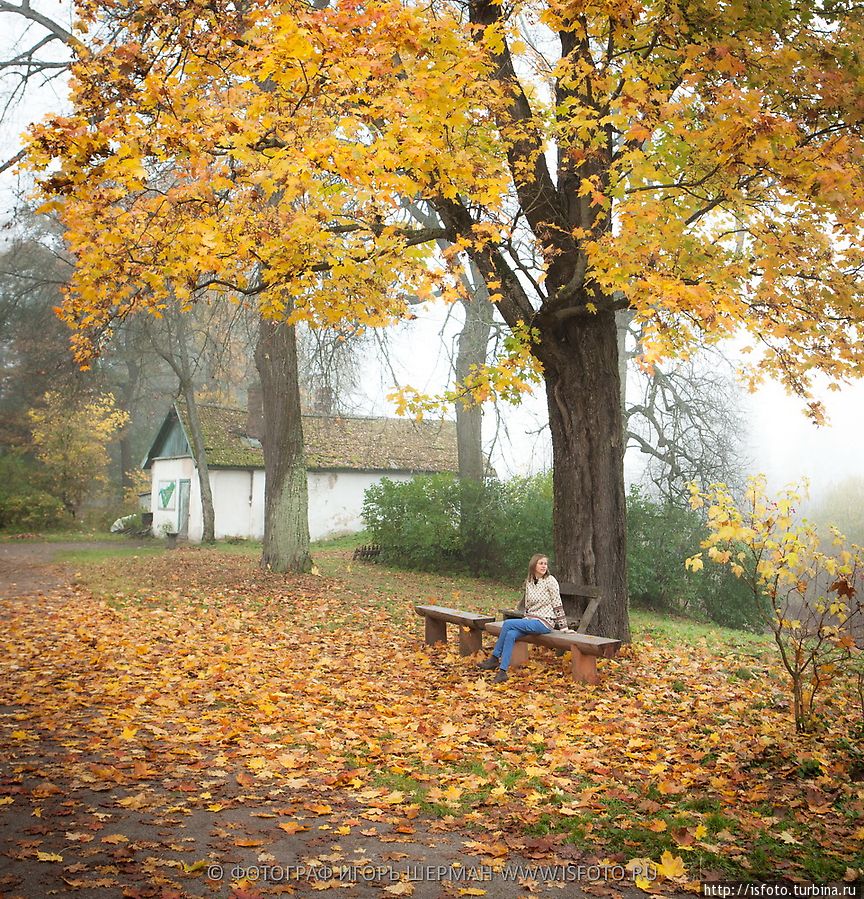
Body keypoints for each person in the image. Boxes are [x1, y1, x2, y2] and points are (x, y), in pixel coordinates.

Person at [477, 553, 568, 683]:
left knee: (508, 624)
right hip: (530, 620)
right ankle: (503, 672)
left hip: (544, 622)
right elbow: (527, 606)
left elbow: (557, 604)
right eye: (540, 563)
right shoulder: (530, 581)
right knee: (510, 634)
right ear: (533, 565)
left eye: (545, 564)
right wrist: (526, 619)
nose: (543, 566)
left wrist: (564, 627)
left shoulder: (551, 581)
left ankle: (494, 658)